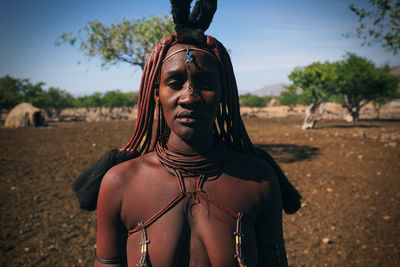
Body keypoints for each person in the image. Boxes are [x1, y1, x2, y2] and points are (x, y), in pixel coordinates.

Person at [73, 1, 301, 266]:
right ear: (157, 94)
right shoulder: (119, 183)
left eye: (205, 83)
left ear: (223, 94)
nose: (189, 98)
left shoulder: (260, 180)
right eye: (174, 83)